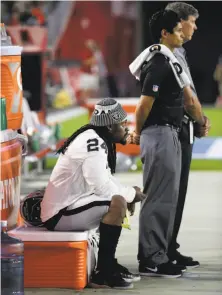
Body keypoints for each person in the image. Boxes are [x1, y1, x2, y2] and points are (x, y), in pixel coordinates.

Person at [129, 10, 209, 278]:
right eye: (177, 30)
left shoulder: (167, 59)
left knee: (166, 199)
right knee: (158, 199)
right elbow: (143, 105)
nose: (182, 34)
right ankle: (152, 258)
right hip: (159, 133)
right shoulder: (160, 62)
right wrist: (137, 133)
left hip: (168, 132)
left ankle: (159, 253)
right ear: (165, 33)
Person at [40, 98, 145, 289]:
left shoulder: (94, 137)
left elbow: (107, 181)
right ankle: (103, 273)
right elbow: (102, 187)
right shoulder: (93, 142)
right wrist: (130, 195)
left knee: (119, 199)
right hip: (60, 213)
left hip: (68, 204)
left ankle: (107, 264)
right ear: (111, 126)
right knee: (118, 203)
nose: (127, 128)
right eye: (123, 124)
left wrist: (129, 193)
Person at [165, 2, 210, 268]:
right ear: (179, 22)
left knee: (179, 193)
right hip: (175, 127)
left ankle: (170, 247)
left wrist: (199, 120)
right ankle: (159, 251)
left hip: (185, 127)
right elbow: (186, 96)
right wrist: (198, 118)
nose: (195, 27)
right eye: (192, 21)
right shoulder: (167, 53)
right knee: (170, 194)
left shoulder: (178, 52)